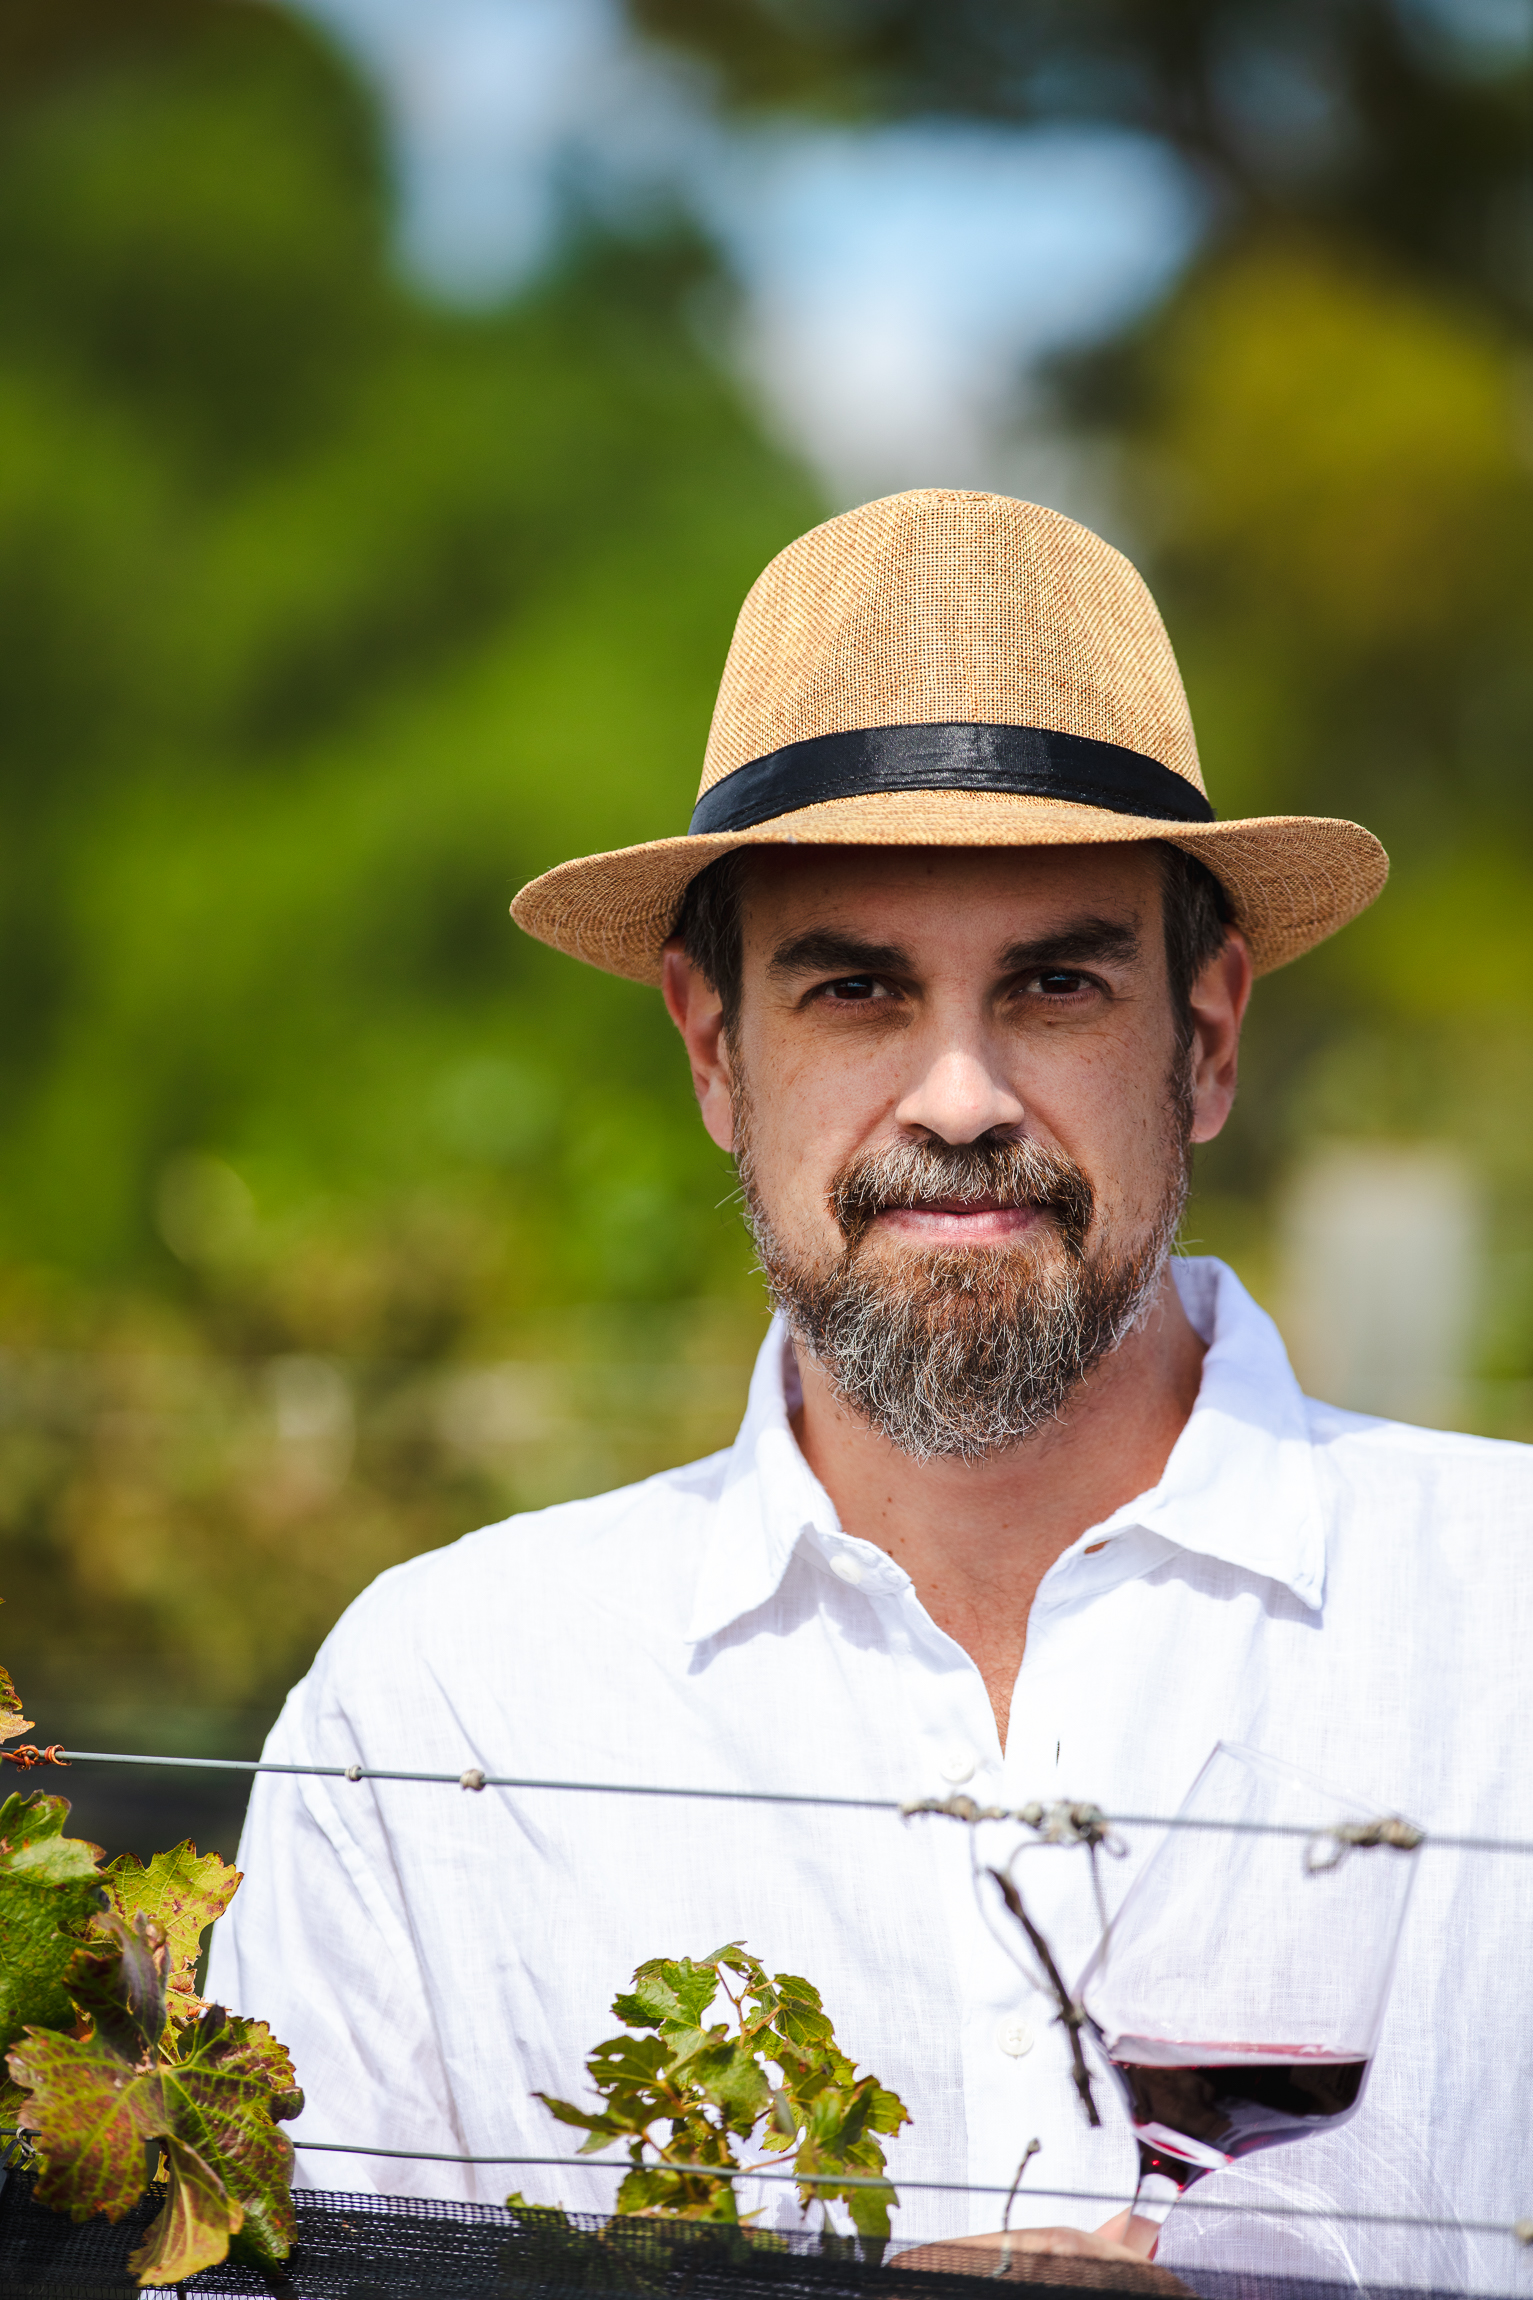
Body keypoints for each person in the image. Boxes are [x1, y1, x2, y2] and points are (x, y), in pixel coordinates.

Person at [210, 491, 1533, 2290]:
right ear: (714, 1052)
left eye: (1054, 984)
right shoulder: (441, 1715)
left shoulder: (1501, 1626)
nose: (959, 1098)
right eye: (854, 990)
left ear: (1205, 1038)